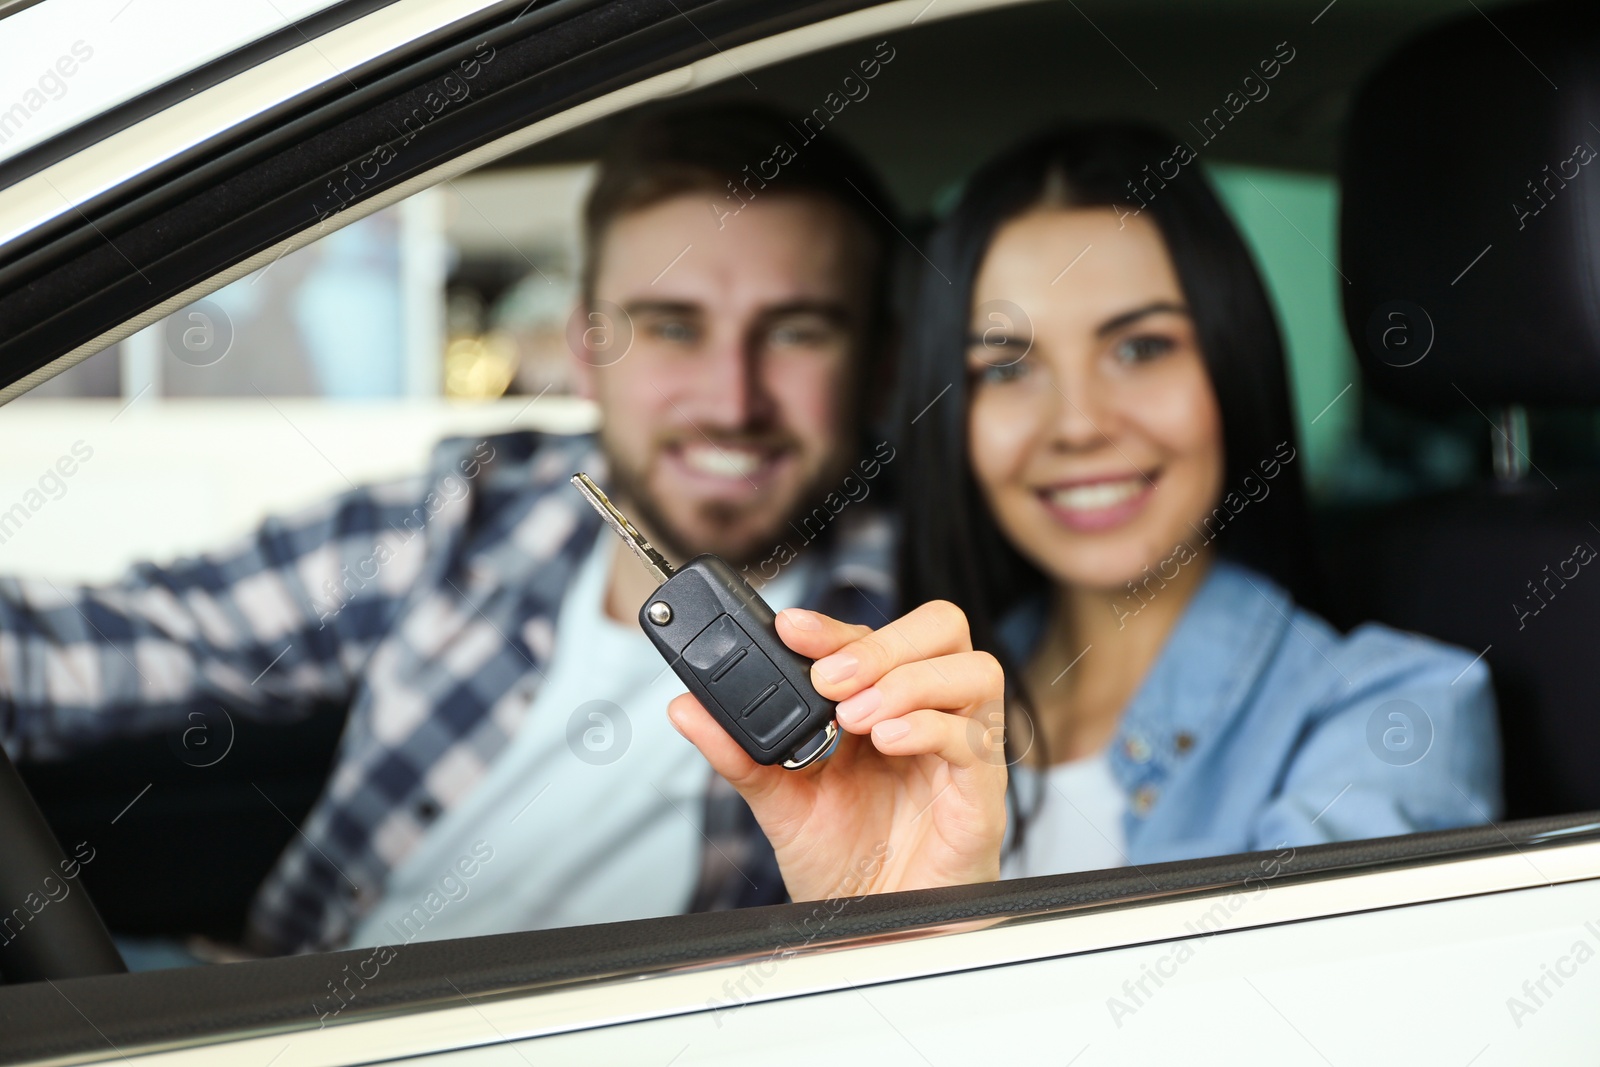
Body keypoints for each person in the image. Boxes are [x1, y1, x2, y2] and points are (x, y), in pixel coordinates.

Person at [0, 104, 1004, 964]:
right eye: (670, 326)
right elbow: (119, 641)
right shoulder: (479, 502)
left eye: (795, 330)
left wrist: (906, 928)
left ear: (876, 362)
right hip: (265, 1001)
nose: (729, 399)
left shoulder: (945, 618)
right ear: (585, 349)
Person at [894, 123, 1502, 877]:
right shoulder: (909, 719)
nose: (1080, 424)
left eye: (1140, 348)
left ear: (1229, 363)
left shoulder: (1390, 717)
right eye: (1008, 368)